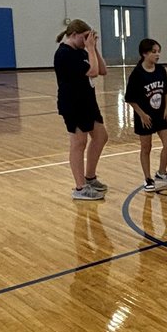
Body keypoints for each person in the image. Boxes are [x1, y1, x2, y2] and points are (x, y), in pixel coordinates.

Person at [53, 19, 109, 201]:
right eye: (84, 37)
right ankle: (79, 187)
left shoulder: (81, 51)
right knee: (79, 143)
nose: (86, 41)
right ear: (74, 34)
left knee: (101, 136)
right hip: (73, 104)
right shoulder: (64, 53)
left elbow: (102, 70)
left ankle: (90, 177)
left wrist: (94, 48)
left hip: (88, 102)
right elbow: (92, 72)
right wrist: (90, 49)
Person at [124, 38, 167, 195]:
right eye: (154, 52)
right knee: (146, 147)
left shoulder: (160, 70)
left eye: (158, 51)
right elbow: (130, 99)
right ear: (144, 54)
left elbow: (165, 92)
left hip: (160, 114)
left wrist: (166, 110)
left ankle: (162, 172)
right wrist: (141, 114)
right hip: (145, 117)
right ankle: (148, 178)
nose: (157, 55)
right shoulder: (137, 74)